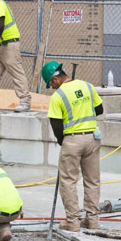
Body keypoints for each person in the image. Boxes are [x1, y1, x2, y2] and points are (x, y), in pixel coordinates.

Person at [41, 61, 104, 231]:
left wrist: (63, 141)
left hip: (72, 140)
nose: (52, 88)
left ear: (54, 80)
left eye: (51, 85)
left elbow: (55, 124)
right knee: (92, 180)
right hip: (93, 138)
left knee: (68, 181)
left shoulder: (58, 96)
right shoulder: (87, 86)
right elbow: (99, 110)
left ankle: (73, 222)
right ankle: (92, 220)